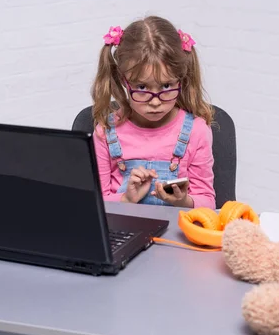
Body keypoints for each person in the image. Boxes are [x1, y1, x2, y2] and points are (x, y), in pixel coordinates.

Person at [91, 15, 215, 209]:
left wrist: (183, 201)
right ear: (124, 81)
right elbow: (96, 201)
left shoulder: (196, 131)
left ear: (180, 79)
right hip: (123, 230)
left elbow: (207, 201)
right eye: (141, 87)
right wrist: (126, 199)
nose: (156, 102)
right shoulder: (105, 132)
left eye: (166, 86)